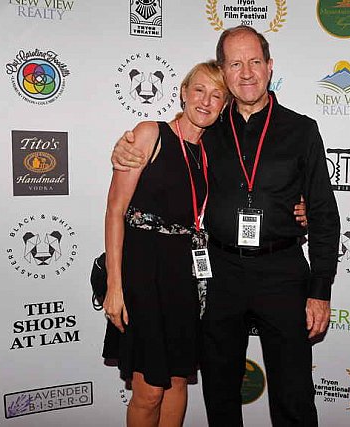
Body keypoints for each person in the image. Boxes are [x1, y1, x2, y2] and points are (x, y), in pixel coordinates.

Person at [113, 26, 340, 426]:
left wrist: (320, 291)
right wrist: (125, 146)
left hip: (282, 272)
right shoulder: (209, 128)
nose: (246, 72)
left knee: (294, 393)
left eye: (254, 62)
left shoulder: (302, 130)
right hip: (219, 273)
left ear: (270, 67)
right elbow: (167, 146)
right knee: (219, 390)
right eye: (235, 64)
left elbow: (323, 212)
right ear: (224, 70)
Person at [102, 61, 228, 427]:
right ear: (183, 93)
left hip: (185, 276)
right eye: (199, 90)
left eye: (217, 95)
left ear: (224, 106)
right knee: (150, 390)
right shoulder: (150, 134)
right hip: (143, 273)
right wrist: (114, 286)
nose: (206, 101)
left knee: (177, 381)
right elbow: (115, 210)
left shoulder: (213, 150)